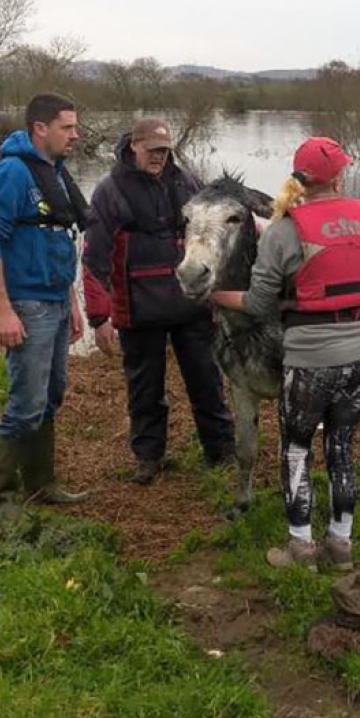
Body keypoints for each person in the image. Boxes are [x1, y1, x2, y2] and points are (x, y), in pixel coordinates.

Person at [210, 137, 360, 571]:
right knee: (340, 447)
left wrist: (217, 294)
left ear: (297, 179)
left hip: (312, 358)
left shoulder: (284, 231)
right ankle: (341, 546)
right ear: (338, 176)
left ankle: (300, 548)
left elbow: (259, 304)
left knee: (297, 450)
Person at [82, 117, 235, 483]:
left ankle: (221, 452)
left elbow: (213, 238)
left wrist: (223, 292)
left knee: (207, 381)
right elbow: (94, 257)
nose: (158, 158)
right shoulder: (109, 192)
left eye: (164, 151)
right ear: (134, 146)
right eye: (152, 150)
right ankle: (148, 457)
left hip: (192, 304)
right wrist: (98, 317)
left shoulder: (188, 182)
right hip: (137, 308)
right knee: (144, 388)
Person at [0, 93, 90, 511]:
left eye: (75, 127)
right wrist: (3, 310)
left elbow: (60, 238)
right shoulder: (12, 173)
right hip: (28, 306)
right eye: (67, 127)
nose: (75, 135)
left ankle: (42, 485)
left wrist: (72, 302)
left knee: (52, 394)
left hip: (56, 302)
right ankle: (1, 497)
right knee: (26, 403)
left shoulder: (53, 172)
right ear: (41, 128)